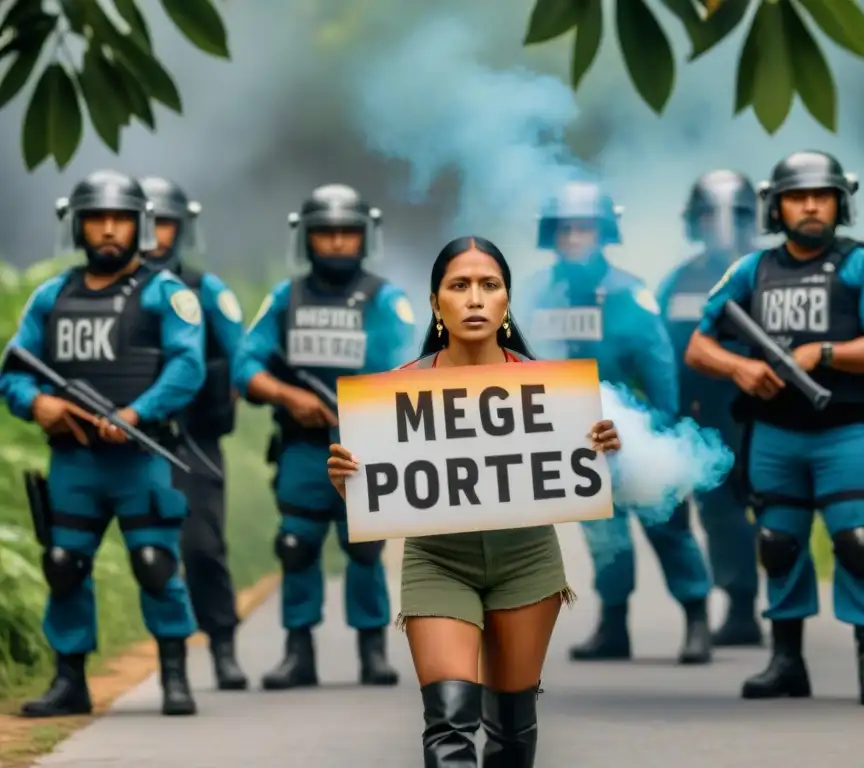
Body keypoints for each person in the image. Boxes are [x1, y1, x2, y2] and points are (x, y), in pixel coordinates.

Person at [326, 235, 621, 767]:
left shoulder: (550, 390)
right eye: (459, 286)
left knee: (511, 731)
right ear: (437, 303)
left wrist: (604, 448)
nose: (476, 298)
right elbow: (372, 488)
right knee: (448, 724)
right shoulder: (392, 396)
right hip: (438, 561)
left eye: (490, 285)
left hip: (527, 562)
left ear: (507, 300)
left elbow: (591, 471)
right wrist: (347, 477)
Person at [684, 150, 864, 705]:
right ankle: (786, 662)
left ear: (840, 202)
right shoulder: (751, 270)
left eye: (822, 195)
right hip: (774, 434)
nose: (810, 205)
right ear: (775, 207)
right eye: (797, 197)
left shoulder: (862, 265)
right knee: (778, 544)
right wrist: (741, 366)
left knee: (857, 543)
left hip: (841, 432)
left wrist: (823, 353)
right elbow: (698, 346)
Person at [0, 170, 206, 717]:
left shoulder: (167, 293)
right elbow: (14, 370)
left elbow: (187, 369)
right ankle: (69, 681)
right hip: (74, 461)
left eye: (119, 219)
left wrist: (137, 412)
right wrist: (36, 404)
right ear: (79, 227)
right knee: (64, 563)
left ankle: (174, 675)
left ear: (138, 225)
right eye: (97, 220)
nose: (109, 230)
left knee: (154, 562)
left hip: (138, 458)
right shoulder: (51, 296)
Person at [519, 181, 713, 665]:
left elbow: (659, 364)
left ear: (604, 233)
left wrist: (663, 430)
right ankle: (613, 625)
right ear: (552, 235)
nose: (575, 237)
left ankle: (696, 619)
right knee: (604, 535)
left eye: (585, 228)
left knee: (667, 527)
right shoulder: (536, 291)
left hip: (635, 434)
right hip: (570, 438)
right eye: (566, 229)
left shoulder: (630, 293)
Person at [231, 183, 416, 690]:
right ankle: (298, 651)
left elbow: (413, 365)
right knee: (296, 544)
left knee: (364, 548)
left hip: (367, 445)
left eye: (347, 233)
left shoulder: (386, 299)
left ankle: (373, 649)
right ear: (307, 238)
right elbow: (246, 364)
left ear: (364, 237)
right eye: (326, 233)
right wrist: (287, 396)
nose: (336, 242)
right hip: (303, 447)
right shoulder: (285, 298)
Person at [139, 176, 248, 691]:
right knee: (150, 554)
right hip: (126, 441)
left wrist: (232, 387)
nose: (155, 234)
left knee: (203, 547)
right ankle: (167, 662)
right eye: (147, 221)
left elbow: (243, 355)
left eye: (165, 223)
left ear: (181, 229)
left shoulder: (207, 291)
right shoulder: (114, 293)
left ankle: (223, 645)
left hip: (193, 439)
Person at [656, 169, 763, 647]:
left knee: (771, 513)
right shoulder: (678, 281)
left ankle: (774, 613)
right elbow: (659, 346)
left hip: (760, 411)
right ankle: (739, 606)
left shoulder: (766, 271)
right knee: (716, 512)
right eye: (708, 216)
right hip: (698, 415)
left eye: (731, 216)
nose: (719, 226)